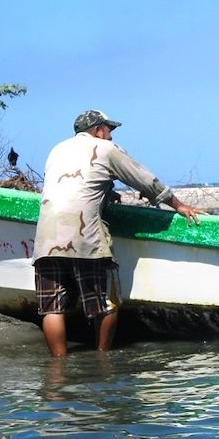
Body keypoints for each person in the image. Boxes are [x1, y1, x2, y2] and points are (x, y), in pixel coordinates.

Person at [31, 109, 204, 356]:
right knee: (106, 304)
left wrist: (106, 192)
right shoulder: (106, 149)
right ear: (97, 130)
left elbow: (71, 186)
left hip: (46, 239)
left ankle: (57, 368)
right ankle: (103, 361)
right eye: (109, 130)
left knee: (52, 308)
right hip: (84, 237)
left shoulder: (57, 150)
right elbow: (145, 180)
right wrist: (179, 205)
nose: (111, 136)